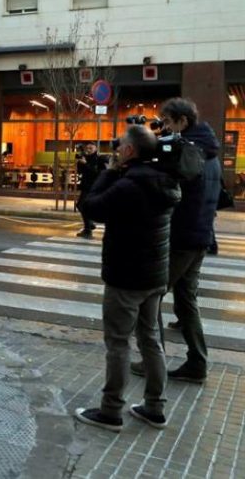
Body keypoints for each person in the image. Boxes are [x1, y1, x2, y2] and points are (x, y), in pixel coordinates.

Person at [73, 125, 181, 432]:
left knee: (118, 343)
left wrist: (109, 171)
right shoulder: (165, 180)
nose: (116, 149)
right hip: (155, 275)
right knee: (150, 339)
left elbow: (90, 207)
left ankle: (110, 411)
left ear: (130, 151)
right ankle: (155, 408)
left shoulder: (128, 185)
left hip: (126, 277)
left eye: (120, 145)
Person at [132, 98, 221, 383]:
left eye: (168, 122)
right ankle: (197, 362)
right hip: (200, 236)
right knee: (186, 302)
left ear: (183, 121)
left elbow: (169, 191)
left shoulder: (185, 151)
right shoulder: (208, 150)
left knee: (151, 297)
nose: (165, 128)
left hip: (182, 237)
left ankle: (151, 361)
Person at [75, 142, 107, 239]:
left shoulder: (99, 159)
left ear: (96, 148)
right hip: (86, 186)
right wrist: (80, 163)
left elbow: (98, 173)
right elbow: (80, 171)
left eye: (91, 148)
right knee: (81, 205)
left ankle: (88, 229)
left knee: (82, 205)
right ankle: (89, 224)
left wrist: (86, 164)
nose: (88, 150)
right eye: (87, 148)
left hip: (95, 187)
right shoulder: (85, 158)